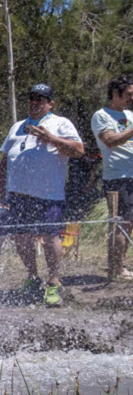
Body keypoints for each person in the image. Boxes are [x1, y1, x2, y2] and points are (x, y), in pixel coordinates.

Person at [0, 83, 84, 307]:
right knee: (21, 236)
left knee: (50, 237)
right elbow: (5, 159)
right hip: (18, 193)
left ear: (50, 103)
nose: (35, 102)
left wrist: (51, 139)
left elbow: (78, 151)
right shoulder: (18, 126)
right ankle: (32, 277)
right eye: (32, 98)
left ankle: (54, 282)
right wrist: (1, 189)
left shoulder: (61, 123)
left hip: (48, 193)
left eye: (41, 98)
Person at [91, 76, 133, 280]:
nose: (131, 99)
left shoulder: (130, 115)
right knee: (121, 222)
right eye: (128, 95)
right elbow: (110, 140)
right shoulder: (101, 116)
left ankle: (121, 264)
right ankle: (117, 268)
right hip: (118, 176)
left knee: (129, 222)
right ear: (115, 95)